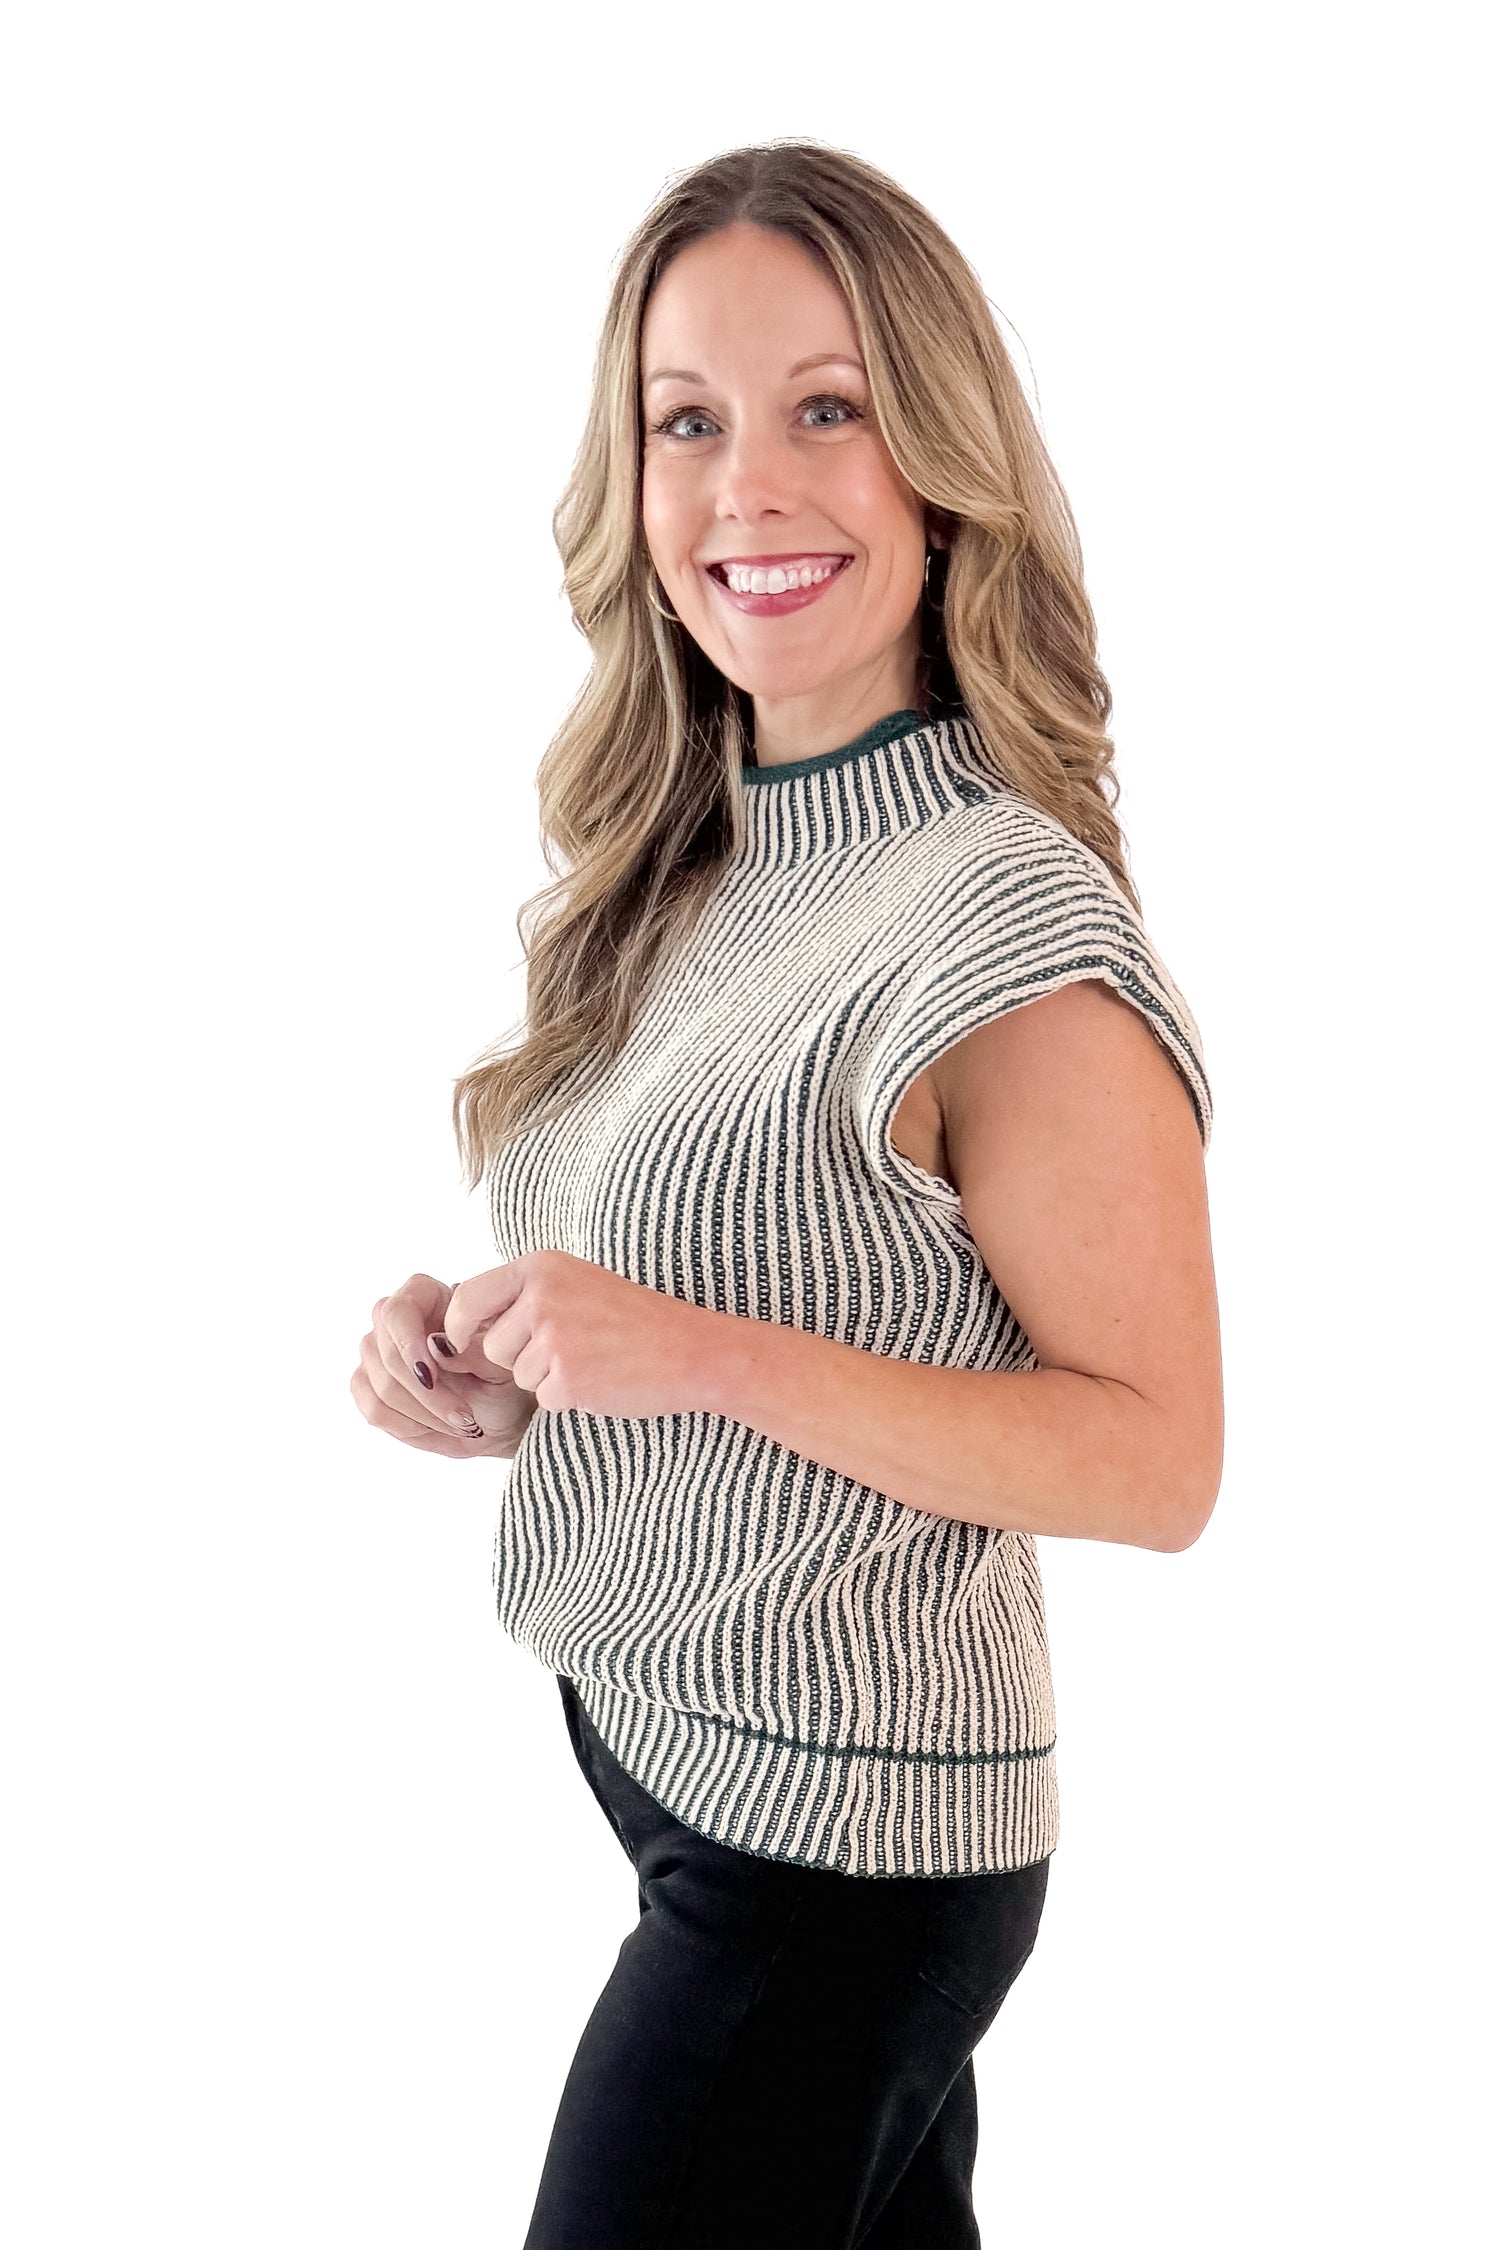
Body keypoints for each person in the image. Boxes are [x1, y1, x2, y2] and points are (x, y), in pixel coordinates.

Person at [350, 139, 1222, 2249]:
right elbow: (793, 1304)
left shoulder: (1004, 923)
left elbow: (1157, 1459)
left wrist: (695, 1352)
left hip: (835, 1861)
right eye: (688, 422)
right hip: (684, 1777)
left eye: (828, 408)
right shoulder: (705, 862)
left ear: (942, 457)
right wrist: (520, 1374)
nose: (749, 486)